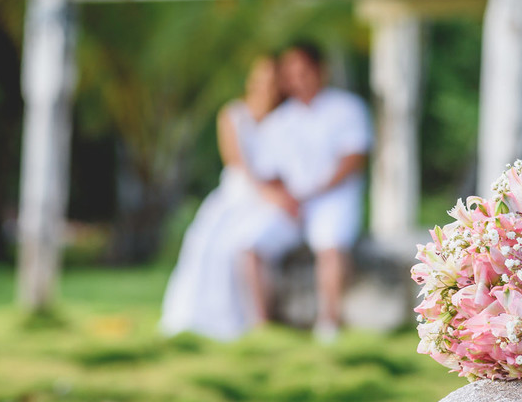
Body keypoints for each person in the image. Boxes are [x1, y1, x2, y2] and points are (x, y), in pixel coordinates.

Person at [244, 41, 372, 341]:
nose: (297, 79)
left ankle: (329, 324)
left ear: (320, 71)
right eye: (290, 72)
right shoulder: (278, 121)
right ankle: (262, 326)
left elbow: (353, 158)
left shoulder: (347, 107)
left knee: (330, 244)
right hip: (293, 204)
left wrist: (316, 191)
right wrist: (287, 199)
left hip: (334, 198)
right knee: (251, 245)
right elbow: (269, 172)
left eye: (303, 71)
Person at [159, 55, 283, 339]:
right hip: (237, 192)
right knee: (206, 246)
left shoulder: (285, 116)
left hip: (270, 196)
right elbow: (236, 160)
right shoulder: (233, 113)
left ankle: (249, 322)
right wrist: (264, 192)